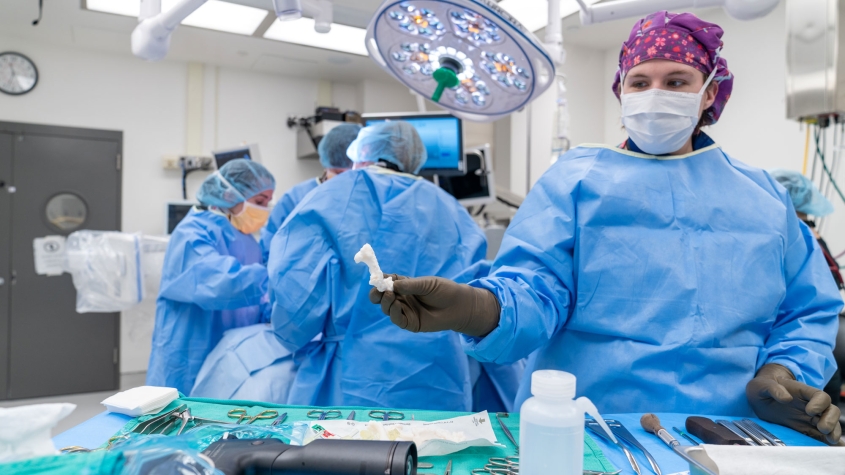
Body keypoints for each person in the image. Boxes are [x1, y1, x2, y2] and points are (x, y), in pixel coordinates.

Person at [370, 12, 844, 444]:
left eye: (677, 81)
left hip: (728, 433)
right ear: (621, 93)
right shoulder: (576, 181)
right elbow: (536, 291)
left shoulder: (764, 198)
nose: (655, 94)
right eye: (640, 82)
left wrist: (784, 370)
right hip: (590, 429)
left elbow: (809, 307)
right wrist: (477, 308)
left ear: (709, 93)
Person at [268, 121, 486, 410]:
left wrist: (292, 339)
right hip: (439, 376)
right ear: (414, 158)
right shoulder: (451, 208)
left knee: (350, 453)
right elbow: (476, 303)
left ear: (360, 151)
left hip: (354, 377)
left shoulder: (330, 196)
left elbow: (295, 299)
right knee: (434, 452)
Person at [147, 159, 275, 394]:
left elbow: (257, 300)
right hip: (190, 353)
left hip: (231, 358)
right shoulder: (192, 233)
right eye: (259, 201)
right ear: (229, 195)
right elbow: (219, 283)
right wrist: (279, 275)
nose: (265, 210)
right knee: (178, 420)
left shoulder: (248, 241)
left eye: (268, 202)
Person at [771, 169, 845, 406]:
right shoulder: (781, 239)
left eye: (808, 222)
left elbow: (819, 301)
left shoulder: (805, 240)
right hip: (793, 355)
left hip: (816, 350)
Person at [260, 123, 362, 263]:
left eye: (352, 174)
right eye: (339, 173)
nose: (345, 180)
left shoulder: (365, 199)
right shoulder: (296, 198)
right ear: (326, 166)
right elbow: (271, 250)